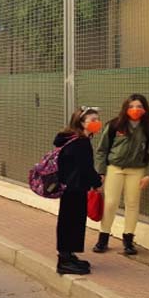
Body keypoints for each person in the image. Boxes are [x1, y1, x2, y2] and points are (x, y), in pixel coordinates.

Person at [93, 94, 149, 255]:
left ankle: (128, 240)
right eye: (131, 106)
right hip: (115, 168)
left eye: (139, 106)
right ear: (125, 108)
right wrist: (100, 172)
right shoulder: (115, 125)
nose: (135, 110)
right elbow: (102, 150)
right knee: (110, 203)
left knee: (132, 203)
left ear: (145, 109)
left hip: (137, 170)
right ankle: (103, 238)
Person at [54, 107, 104, 276]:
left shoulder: (71, 139)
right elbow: (85, 168)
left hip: (70, 187)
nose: (97, 123)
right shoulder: (81, 142)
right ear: (81, 123)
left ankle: (69, 255)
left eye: (97, 119)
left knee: (70, 221)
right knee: (71, 222)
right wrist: (97, 182)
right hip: (74, 187)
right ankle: (64, 261)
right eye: (92, 120)